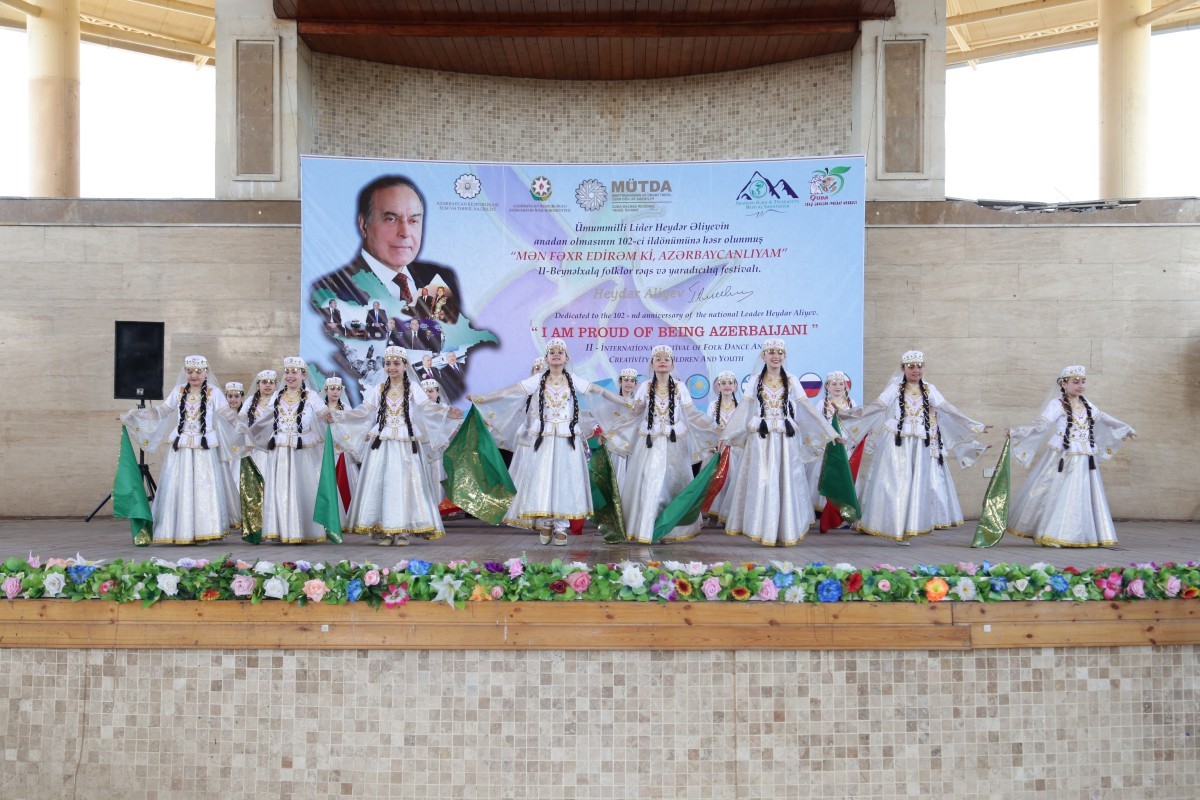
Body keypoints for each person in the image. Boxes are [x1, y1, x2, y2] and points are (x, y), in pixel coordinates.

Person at [469, 340, 629, 545]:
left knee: (565, 480)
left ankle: (561, 526)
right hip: (542, 438)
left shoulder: (572, 379)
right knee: (542, 478)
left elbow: (599, 392)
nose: (555, 354)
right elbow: (511, 392)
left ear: (566, 358)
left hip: (566, 438)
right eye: (551, 352)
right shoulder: (537, 380)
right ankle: (546, 522)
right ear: (546, 358)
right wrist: (482, 398)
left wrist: (624, 402)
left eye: (560, 352)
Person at [841, 350, 990, 544]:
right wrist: (851, 415)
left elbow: (947, 408)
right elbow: (877, 406)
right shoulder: (895, 388)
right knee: (894, 483)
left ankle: (908, 528)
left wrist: (974, 425)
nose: (916, 370)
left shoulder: (929, 389)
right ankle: (892, 525)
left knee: (915, 484)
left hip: (920, 443)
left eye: (919, 366)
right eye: (911, 367)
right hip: (895, 441)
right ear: (903, 368)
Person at [330, 347, 462, 545]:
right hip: (383, 443)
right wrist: (338, 415)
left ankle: (403, 531)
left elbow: (427, 407)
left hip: (406, 443)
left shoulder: (413, 388)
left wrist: (447, 412)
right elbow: (364, 411)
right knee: (383, 484)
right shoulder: (379, 388)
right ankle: (386, 530)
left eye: (396, 363)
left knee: (406, 484)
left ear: (405, 366)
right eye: (388, 364)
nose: (391, 367)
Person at [720, 340, 841, 547]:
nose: (776, 356)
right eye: (771, 352)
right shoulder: (755, 380)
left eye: (780, 352)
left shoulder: (792, 380)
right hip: (761, 438)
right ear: (763, 356)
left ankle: (785, 529)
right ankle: (761, 528)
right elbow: (744, 410)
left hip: (785, 438)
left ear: (784, 356)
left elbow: (806, 407)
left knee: (786, 480)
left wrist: (830, 432)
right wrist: (727, 434)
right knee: (762, 480)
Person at [1006, 365, 1135, 548]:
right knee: (1056, 492)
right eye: (1076, 382)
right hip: (1063, 455)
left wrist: (1124, 428)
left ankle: (1079, 535)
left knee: (1080, 494)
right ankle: (1050, 534)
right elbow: (1041, 424)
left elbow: (1103, 417)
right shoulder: (1057, 404)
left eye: (1083, 382)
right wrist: (1018, 431)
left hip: (1084, 455)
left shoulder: (1086, 403)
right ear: (1064, 384)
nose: (1081, 385)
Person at [121, 355, 240, 545]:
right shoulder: (178, 391)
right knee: (178, 486)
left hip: (205, 448)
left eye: (198, 371)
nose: (194, 375)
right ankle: (177, 529)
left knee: (204, 486)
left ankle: (206, 529)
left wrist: (246, 430)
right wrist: (133, 415)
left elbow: (228, 415)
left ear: (206, 373)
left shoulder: (214, 392)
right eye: (189, 371)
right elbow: (161, 412)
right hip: (181, 446)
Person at [613, 346, 719, 544]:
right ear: (652, 364)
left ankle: (669, 530)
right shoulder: (644, 387)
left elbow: (693, 415)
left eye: (666, 359)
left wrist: (715, 432)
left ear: (672, 364)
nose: (662, 361)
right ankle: (646, 529)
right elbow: (633, 415)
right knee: (649, 481)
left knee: (672, 485)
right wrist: (613, 432)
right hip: (649, 443)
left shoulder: (680, 387)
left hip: (674, 444)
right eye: (658, 359)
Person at [311, 175, 462, 315]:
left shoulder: (441, 278)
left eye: (413, 221)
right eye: (391, 219)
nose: (405, 233)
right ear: (363, 225)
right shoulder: (328, 291)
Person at [247, 357, 332, 543]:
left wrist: (337, 420)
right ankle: (279, 529)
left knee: (301, 487)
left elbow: (325, 416)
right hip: (279, 450)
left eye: (294, 372)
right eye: (287, 372)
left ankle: (300, 530)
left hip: (300, 451)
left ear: (303, 375)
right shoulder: (277, 396)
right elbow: (264, 421)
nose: (290, 376)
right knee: (279, 488)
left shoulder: (311, 396)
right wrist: (247, 434)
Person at [805, 371, 855, 515]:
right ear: (827, 386)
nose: (837, 387)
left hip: (845, 444)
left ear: (845, 386)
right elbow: (817, 423)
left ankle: (844, 506)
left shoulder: (851, 403)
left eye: (841, 384)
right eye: (834, 384)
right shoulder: (822, 404)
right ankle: (821, 507)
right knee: (822, 473)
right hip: (828, 443)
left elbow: (856, 422)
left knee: (844, 474)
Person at [704, 371, 742, 527]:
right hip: (718, 449)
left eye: (730, 383)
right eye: (723, 383)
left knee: (732, 480)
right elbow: (709, 427)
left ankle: (728, 514)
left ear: (735, 386)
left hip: (735, 448)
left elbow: (743, 427)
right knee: (715, 480)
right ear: (718, 386)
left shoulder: (740, 406)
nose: (727, 386)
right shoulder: (713, 405)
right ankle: (714, 512)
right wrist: (714, 444)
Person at [323, 376, 358, 525]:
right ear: (326, 390)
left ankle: (346, 517)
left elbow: (352, 428)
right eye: (332, 389)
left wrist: (337, 421)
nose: (335, 392)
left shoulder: (346, 408)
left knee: (344, 482)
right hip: (325, 450)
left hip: (342, 451)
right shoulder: (321, 408)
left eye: (338, 389)